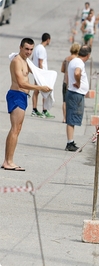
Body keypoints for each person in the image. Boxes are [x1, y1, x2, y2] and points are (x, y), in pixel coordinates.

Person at [2, 38, 52, 171]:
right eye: (26, 49)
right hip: (16, 95)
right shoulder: (17, 61)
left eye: (31, 49)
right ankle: (8, 161)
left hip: (23, 96)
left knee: (17, 129)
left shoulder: (25, 61)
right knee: (15, 129)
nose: (29, 52)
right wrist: (40, 88)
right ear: (20, 48)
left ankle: (8, 160)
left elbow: (37, 71)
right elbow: (21, 83)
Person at [65, 46, 92, 152]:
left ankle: (70, 141)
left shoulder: (74, 60)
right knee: (72, 118)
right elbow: (77, 73)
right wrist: (79, 83)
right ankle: (69, 143)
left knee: (72, 118)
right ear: (88, 55)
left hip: (74, 92)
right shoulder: (79, 63)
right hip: (75, 93)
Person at [31, 33, 54, 118]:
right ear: (48, 39)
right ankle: (44, 110)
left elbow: (33, 58)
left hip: (36, 72)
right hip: (41, 73)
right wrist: (41, 73)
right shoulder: (42, 49)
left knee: (36, 91)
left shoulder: (37, 47)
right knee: (45, 91)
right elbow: (40, 62)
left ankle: (34, 109)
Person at [61, 43, 81, 123]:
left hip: (65, 81)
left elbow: (62, 70)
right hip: (73, 82)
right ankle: (72, 117)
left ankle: (65, 118)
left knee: (65, 101)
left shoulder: (66, 59)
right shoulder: (77, 60)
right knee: (74, 100)